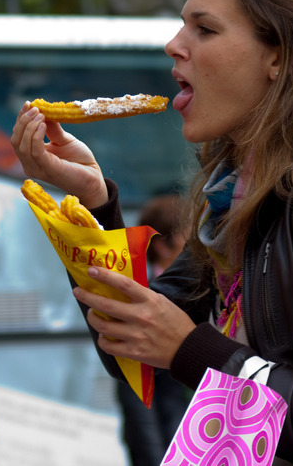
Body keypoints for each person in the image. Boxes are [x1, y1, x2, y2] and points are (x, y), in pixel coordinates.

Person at [11, 0, 293, 465]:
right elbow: (134, 352)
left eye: (205, 29)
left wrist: (191, 350)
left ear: (279, 57)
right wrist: (91, 203)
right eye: (183, 25)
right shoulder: (231, 195)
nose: (174, 45)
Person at [116, 194, 190, 466]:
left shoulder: (207, 292)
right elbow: (137, 399)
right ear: (162, 246)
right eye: (188, 239)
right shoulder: (142, 300)